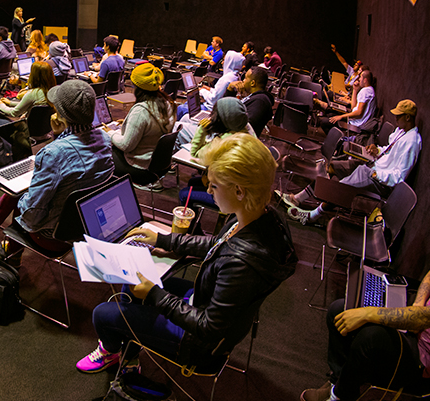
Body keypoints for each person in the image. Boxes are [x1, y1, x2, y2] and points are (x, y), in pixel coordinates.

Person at [76, 133, 298, 374]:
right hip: (206, 303)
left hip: (198, 344)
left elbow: (206, 327)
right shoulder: (263, 216)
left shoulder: (242, 263)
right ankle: (130, 345)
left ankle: (112, 351)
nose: (209, 191)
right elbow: (219, 243)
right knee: (137, 284)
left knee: (103, 314)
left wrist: (154, 295)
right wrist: (163, 239)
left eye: (214, 185)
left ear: (239, 191)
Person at [301, 171, 430, 401]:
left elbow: (428, 318)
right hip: (415, 321)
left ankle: (339, 396)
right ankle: (340, 382)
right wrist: (416, 306)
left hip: (422, 357)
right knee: (338, 310)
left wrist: (369, 314)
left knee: (369, 337)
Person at [0, 80, 114, 250]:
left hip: (52, 235)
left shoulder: (53, 153)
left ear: (60, 114)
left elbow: (30, 215)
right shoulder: (105, 139)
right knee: (31, 185)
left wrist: (18, 190)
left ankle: (8, 252)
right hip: (86, 224)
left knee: (20, 191)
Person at [284, 99, 422, 226]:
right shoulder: (401, 131)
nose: (396, 118)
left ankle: (311, 216)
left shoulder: (412, 142)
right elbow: (389, 152)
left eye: (399, 116)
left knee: (341, 187)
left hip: (381, 180)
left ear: (408, 117)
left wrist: (377, 175)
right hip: (373, 164)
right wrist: (377, 150)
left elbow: (399, 176)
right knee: (331, 167)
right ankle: (298, 198)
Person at [177, 98, 255, 207]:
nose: (210, 117)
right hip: (245, 190)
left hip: (234, 197)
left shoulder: (224, 144)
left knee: (184, 194)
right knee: (193, 182)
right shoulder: (245, 128)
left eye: (213, 114)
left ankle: (188, 222)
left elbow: (195, 153)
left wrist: (202, 130)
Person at [110, 63, 176, 192]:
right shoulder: (167, 103)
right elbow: (152, 127)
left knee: (101, 153)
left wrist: (110, 133)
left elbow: (126, 145)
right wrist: (130, 124)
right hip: (159, 164)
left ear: (137, 86)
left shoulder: (141, 111)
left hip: (140, 169)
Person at [0, 60, 55, 125]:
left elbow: (13, 113)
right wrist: (10, 103)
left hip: (29, 129)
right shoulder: (53, 91)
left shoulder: (33, 94)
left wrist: (0, 105)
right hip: (43, 127)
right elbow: (28, 104)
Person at [318, 69, 376, 135]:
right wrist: (355, 89)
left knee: (324, 122)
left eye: (360, 77)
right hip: (354, 121)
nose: (359, 79)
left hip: (356, 124)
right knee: (330, 115)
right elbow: (353, 108)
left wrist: (341, 116)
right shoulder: (368, 90)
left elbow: (359, 112)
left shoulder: (366, 92)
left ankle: (338, 142)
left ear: (365, 80)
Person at [237, 67, 274, 136]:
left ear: (252, 83)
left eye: (245, 78)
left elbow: (247, 127)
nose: (243, 81)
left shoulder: (260, 101)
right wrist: (230, 90)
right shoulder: (255, 97)